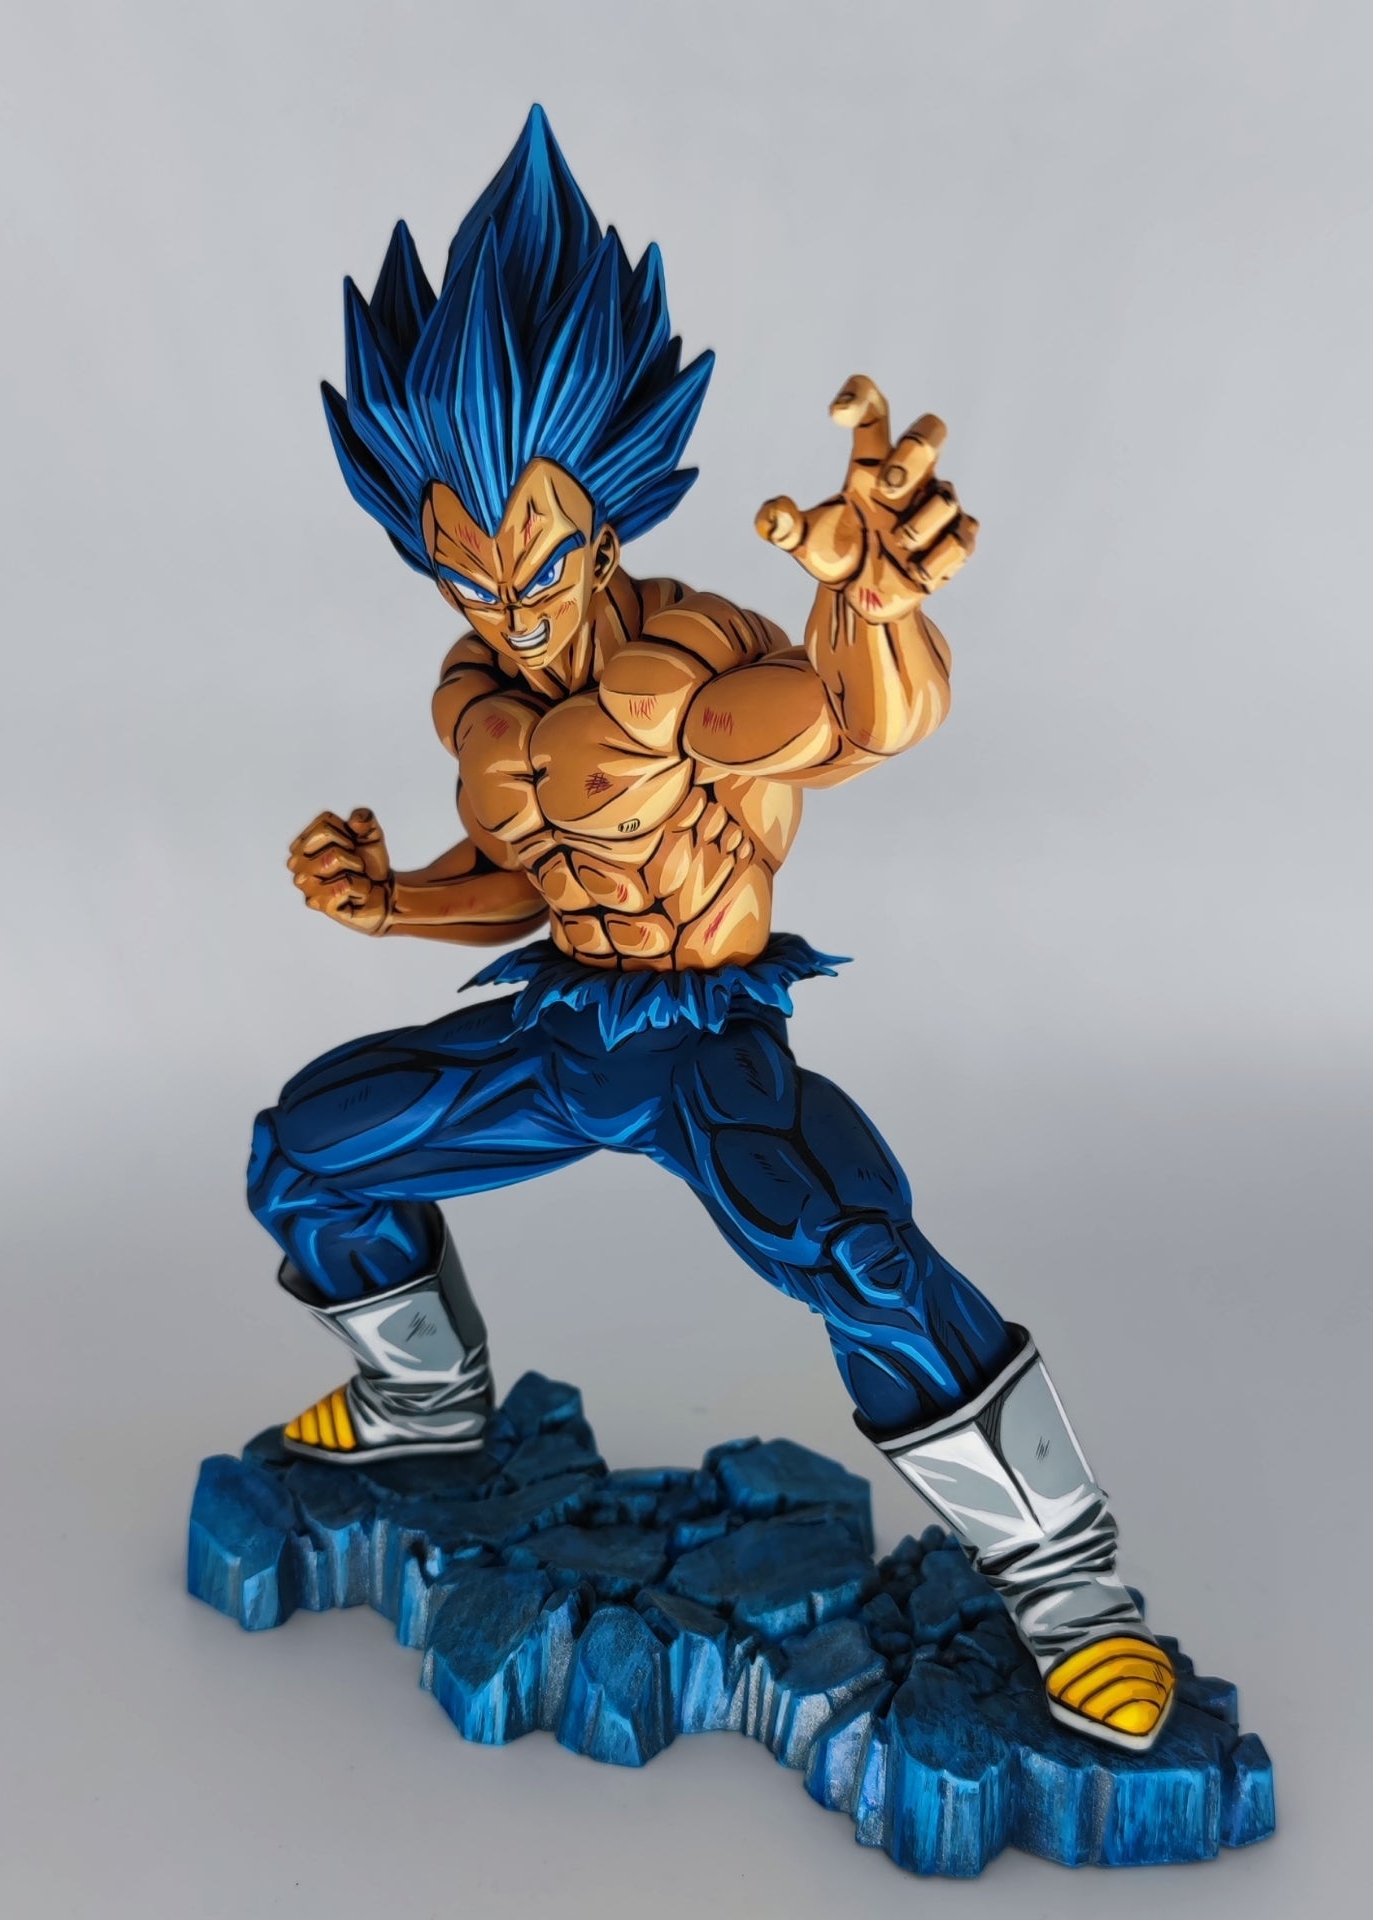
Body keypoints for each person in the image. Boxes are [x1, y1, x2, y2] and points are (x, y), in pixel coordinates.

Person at [247, 106, 1175, 1753]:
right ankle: (421, 1401)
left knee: (861, 1257)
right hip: (558, 1029)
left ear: (604, 519)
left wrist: (874, 601)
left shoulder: (681, 671)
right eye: (462, 578)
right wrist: (393, 904)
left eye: (533, 571)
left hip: (703, 1050)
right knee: (311, 1154)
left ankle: (1071, 1594)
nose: (504, 612)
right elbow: (526, 876)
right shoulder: (475, 691)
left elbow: (854, 724)